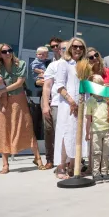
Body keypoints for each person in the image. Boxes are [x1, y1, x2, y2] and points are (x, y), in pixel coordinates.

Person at [0, 43, 45, 174]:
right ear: (0, 54)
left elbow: (19, 83)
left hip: (19, 100)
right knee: (3, 129)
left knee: (26, 127)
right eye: (4, 52)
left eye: (10, 50)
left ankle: (38, 159)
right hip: (4, 102)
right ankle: (5, 164)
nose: (8, 53)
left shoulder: (20, 64)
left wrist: (2, 90)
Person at [53, 37, 88, 179]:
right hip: (67, 105)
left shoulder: (84, 65)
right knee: (65, 133)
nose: (78, 49)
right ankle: (61, 166)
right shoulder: (63, 63)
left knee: (77, 134)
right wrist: (71, 102)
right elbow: (59, 86)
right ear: (70, 48)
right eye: (75, 46)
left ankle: (74, 167)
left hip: (82, 104)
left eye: (80, 47)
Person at [41, 40, 68, 169]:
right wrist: (45, 105)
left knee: (66, 134)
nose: (65, 51)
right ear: (59, 51)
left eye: (69, 48)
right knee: (51, 132)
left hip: (71, 106)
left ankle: (65, 162)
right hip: (56, 104)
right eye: (63, 48)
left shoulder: (77, 66)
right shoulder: (53, 65)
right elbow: (47, 86)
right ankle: (51, 159)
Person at [85, 74, 109, 184]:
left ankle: (105, 172)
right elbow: (88, 118)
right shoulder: (90, 101)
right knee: (96, 152)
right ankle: (96, 172)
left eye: (100, 85)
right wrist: (87, 132)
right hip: (96, 130)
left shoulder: (107, 99)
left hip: (107, 129)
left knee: (106, 152)